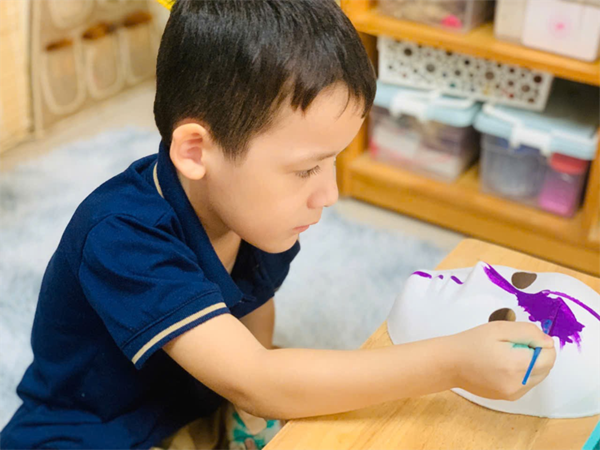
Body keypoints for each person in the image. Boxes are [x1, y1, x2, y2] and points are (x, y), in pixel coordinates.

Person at [0, 1, 556, 449]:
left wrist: (249, 407)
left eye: (333, 161)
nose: (329, 194)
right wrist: (453, 362)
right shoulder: (121, 235)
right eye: (306, 169)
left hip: (196, 403)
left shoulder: (259, 214)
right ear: (195, 151)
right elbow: (258, 380)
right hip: (91, 432)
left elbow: (254, 314)